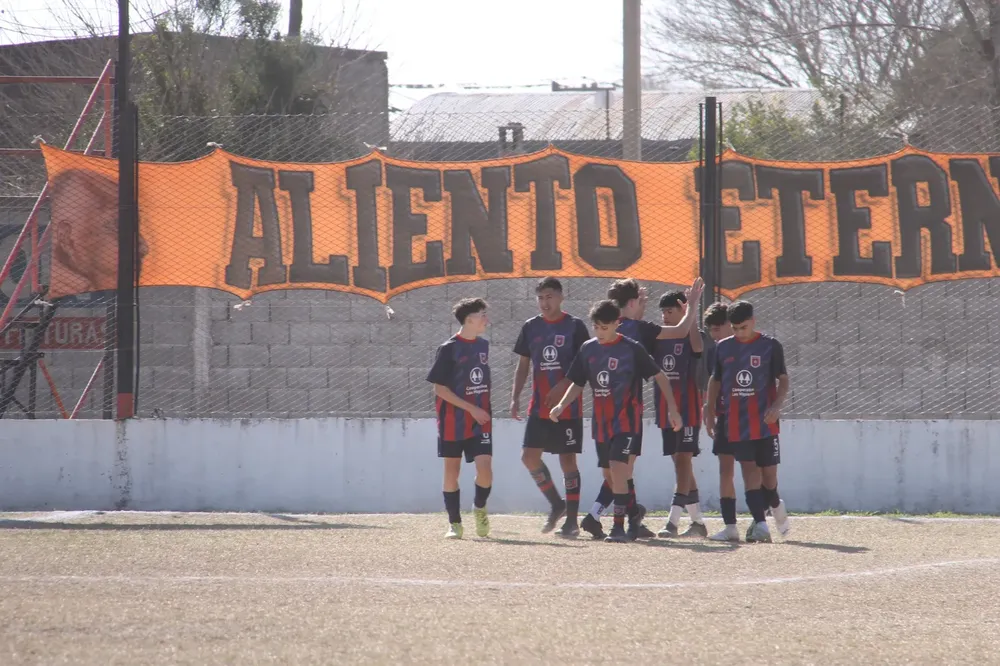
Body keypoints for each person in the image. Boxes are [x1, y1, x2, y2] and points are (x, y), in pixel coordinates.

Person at [550, 299, 682, 543]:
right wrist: (561, 405)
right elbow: (578, 383)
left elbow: (660, 377)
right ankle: (633, 518)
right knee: (610, 476)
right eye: (596, 327)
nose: (599, 332)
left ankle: (618, 528)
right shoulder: (588, 349)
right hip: (601, 424)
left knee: (619, 468)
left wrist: (673, 410)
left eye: (604, 327)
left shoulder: (631, 349)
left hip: (627, 422)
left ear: (616, 324)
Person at [582, 276, 702, 540]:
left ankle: (626, 517)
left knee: (620, 469)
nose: (645, 305)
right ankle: (603, 516)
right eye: (642, 301)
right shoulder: (639, 329)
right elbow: (681, 331)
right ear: (634, 302)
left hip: (601, 414)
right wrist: (692, 304)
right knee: (623, 469)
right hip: (628, 414)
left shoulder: (608, 329)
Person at [704, 300, 791, 543]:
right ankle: (761, 525)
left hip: (766, 421)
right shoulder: (723, 348)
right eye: (735, 328)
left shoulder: (770, 346)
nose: (739, 333)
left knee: (769, 478)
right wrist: (709, 410)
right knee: (749, 472)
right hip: (738, 422)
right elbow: (715, 380)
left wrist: (777, 405)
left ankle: (775, 504)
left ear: (753, 321)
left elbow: (783, 379)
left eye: (743, 327)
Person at [511, 277, 590, 538]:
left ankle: (572, 521)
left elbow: (584, 366)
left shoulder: (575, 326)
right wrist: (515, 396)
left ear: (561, 297)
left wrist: (562, 386)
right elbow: (524, 364)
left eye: (550, 297)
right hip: (539, 407)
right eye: (541, 298)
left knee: (567, 459)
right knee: (529, 457)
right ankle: (557, 504)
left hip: (568, 406)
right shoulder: (531, 327)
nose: (545, 302)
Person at [425, 297, 494, 540]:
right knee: (451, 473)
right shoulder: (448, 348)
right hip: (452, 421)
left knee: (485, 469)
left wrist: (480, 410)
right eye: (482, 315)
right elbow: (440, 389)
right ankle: (454, 523)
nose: (486, 319)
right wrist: (470, 408)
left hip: (481, 421)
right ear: (469, 319)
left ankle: (480, 508)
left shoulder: (483, 346)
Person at [653, 290, 707, 538]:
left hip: (688, 410)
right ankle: (697, 522)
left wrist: (691, 312)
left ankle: (672, 521)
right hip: (665, 409)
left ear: (681, 311)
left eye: (670, 311)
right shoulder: (658, 337)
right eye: (663, 312)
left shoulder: (691, 335)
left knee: (683, 460)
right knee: (680, 464)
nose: (665, 316)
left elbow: (697, 347)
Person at [701, 303, 741, 542]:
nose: (715, 335)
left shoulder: (751, 347)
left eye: (718, 329)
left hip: (750, 419)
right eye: (711, 331)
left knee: (757, 473)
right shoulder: (714, 353)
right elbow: (713, 384)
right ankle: (731, 526)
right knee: (726, 471)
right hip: (725, 418)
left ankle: (765, 517)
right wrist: (709, 411)